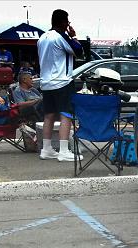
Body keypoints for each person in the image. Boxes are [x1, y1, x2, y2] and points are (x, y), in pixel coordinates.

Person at [37, 9, 84, 161]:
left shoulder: (42, 37)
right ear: (63, 22)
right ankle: (64, 150)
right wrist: (74, 36)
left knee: (49, 115)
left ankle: (46, 149)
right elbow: (79, 51)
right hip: (62, 81)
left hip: (46, 82)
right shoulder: (61, 36)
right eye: (67, 22)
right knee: (66, 114)